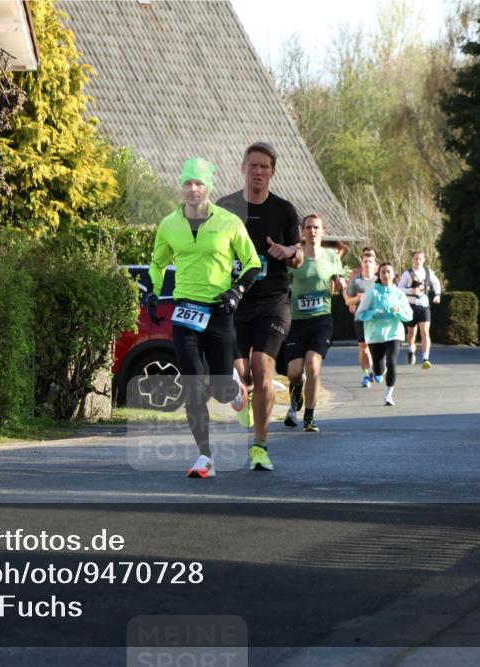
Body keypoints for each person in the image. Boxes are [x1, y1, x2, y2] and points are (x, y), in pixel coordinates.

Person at [147, 157, 260, 478]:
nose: (193, 189)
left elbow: (252, 263)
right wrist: (154, 291)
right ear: (181, 187)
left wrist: (236, 292)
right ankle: (204, 457)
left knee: (221, 389)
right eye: (188, 183)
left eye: (198, 183)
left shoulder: (229, 222)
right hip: (185, 312)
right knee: (193, 384)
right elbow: (157, 262)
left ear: (208, 187)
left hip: (219, 311)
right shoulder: (169, 224)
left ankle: (236, 391)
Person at [217, 142, 302, 471]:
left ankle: (260, 447)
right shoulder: (225, 209)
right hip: (236, 303)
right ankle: (242, 395)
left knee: (263, 369)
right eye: (253, 165)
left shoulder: (284, 211)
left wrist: (288, 252)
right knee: (243, 373)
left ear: (272, 172)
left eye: (264, 167)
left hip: (273, 303)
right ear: (243, 168)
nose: (258, 171)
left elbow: (299, 255)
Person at [283, 214, 346, 432]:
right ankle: (297, 392)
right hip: (297, 321)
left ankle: (309, 418)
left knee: (312, 365)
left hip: (321, 320)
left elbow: (339, 279)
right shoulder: (296, 256)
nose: (312, 231)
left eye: (316, 228)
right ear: (303, 231)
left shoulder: (331, 256)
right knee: (293, 373)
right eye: (308, 227)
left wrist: (340, 283)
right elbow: (283, 280)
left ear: (323, 231)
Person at [357, 263, 413, 406]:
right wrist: (375, 313)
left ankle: (388, 395)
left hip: (394, 334)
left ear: (394, 275)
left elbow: (409, 316)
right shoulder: (372, 293)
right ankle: (376, 371)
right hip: (375, 336)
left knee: (392, 363)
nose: (386, 275)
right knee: (379, 370)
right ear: (379, 275)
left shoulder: (399, 294)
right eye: (383, 272)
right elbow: (360, 314)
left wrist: (398, 311)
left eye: (388, 272)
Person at [398, 250, 442, 369]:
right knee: (412, 333)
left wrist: (437, 295)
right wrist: (411, 290)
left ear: (424, 260)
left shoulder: (428, 272)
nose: (418, 261)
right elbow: (399, 288)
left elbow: (436, 283)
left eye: (420, 259)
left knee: (425, 332)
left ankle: (425, 359)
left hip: (424, 306)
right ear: (412, 260)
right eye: (416, 259)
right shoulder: (407, 274)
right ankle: (410, 351)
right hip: (411, 306)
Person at [344, 247, 378, 388]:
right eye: (365, 261)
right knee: (363, 349)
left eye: (370, 262)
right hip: (360, 319)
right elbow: (348, 301)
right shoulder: (355, 281)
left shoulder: (379, 281)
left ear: (374, 264)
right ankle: (366, 374)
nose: (367, 264)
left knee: (377, 348)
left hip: (377, 320)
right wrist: (357, 298)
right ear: (362, 263)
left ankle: (377, 368)